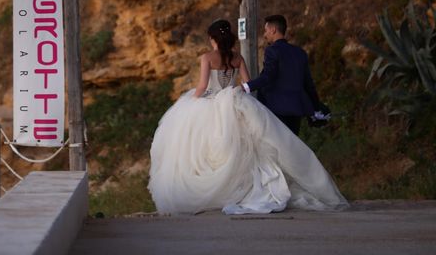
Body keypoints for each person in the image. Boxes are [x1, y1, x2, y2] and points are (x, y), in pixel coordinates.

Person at [148, 19, 348, 215]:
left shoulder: (207, 58)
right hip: (234, 104)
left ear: (212, 38)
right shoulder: (238, 58)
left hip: (211, 103)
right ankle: (247, 188)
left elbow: (202, 86)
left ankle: (214, 189)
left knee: (207, 148)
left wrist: (190, 102)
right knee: (246, 149)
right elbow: (247, 83)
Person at [241, 15, 326, 136]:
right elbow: (309, 84)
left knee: (277, 149)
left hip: (276, 109)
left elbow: (268, 76)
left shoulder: (272, 50)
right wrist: (316, 107)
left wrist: (246, 87)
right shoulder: (300, 53)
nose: (265, 35)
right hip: (296, 109)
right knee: (291, 147)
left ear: (273, 30)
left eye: (266, 31)